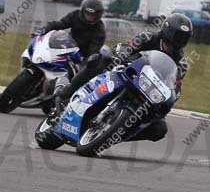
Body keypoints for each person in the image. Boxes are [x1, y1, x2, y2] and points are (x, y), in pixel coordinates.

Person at [53, 13, 194, 142]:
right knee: (101, 58)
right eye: (178, 35)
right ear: (167, 31)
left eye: (184, 37)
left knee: (160, 128)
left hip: (148, 90)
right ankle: (68, 90)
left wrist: (172, 96)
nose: (180, 40)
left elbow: (176, 86)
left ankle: (115, 134)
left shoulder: (181, 63)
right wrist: (122, 53)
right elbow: (127, 46)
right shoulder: (148, 37)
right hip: (128, 71)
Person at [38, 0, 106, 62]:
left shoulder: (99, 30)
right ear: (83, 11)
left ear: (97, 15)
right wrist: (43, 29)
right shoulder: (75, 15)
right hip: (69, 48)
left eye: (92, 15)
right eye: (87, 14)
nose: (89, 17)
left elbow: (93, 52)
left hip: (84, 55)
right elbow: (60, 24)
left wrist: (84, 66)